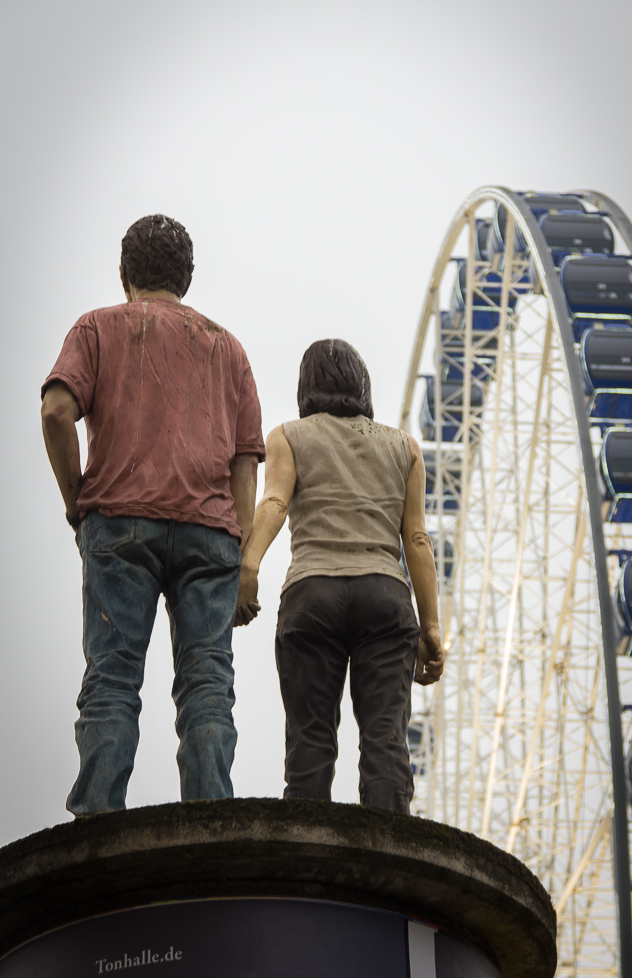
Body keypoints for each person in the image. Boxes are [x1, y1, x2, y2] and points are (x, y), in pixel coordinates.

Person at [41, 214, 265, 815]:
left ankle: (97, 821)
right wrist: (246, 559)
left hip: (118, 520)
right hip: (212, 534)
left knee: (113, 679)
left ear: (124, 275)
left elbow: (56, 411)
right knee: (207, 686)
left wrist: (75, 503)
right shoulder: (229, 347)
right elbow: (246, 463)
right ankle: (211, 820)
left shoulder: (96, 328)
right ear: (187, 278)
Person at [235, 339, 444, 814]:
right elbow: (416, 541)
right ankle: (388, 863)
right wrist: (430, 627)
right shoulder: (404, 447)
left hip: (313, 593)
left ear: (305, 388)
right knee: (386, 739)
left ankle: (308, 865)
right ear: (362, 384)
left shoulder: (289, 436)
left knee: (309, 741)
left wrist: (249, 565)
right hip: (386, 596)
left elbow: (275, 504)